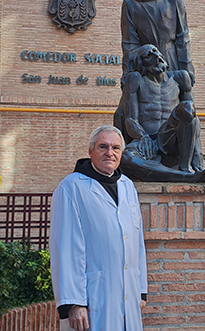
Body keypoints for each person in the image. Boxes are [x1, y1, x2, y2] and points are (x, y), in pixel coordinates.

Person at [50, 125, 147, 331]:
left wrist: (140, 290)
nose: (109, 153)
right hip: (92, 297)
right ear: (90, 151)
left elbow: (137, 243)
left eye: (116, 148)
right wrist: (74, 302)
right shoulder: (71, 187)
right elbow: (65, 248)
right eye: (103, 146)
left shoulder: (128, 186)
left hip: (128, 294)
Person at [115, 44, 205, 184]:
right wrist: (143, 136)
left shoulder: (180, 78)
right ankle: (187, 177)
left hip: (170, 137)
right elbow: (131, 119)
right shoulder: (135, 79)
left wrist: (198, 162)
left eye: (156, 52)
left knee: (187, 107)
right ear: (141, 62)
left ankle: (185, 169)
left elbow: (193, 120)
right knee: (126, 158)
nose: (156, 57)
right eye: (149, 55)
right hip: (145, 138)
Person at [121, 0, 195, 85]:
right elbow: (130, 44)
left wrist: (187, 70)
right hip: (146, 67)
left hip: (172, 63)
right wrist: (128, 73)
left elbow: (182, 38)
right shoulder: (130, 4)